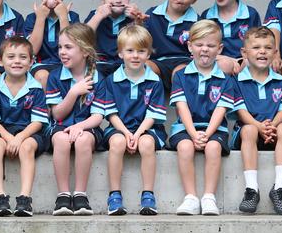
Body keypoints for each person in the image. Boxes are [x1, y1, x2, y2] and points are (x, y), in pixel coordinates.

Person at [94, 25, 167, 215]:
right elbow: (110, 113)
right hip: (119, 127)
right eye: (130, 50)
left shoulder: (154, 80)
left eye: (141, 51)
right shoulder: (111, 80)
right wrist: (127, 133)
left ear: (149, 54)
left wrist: (138, 133)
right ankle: (115, 196)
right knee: (117, 142)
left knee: (146, 144)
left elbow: (153, 114)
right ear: (120, 53)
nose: (135, 56)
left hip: (147, 128)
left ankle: (148, 196)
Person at [169, 20, 235, 216]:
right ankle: (190, 197)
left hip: (214, 129)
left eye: (211, 45)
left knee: (213, 147)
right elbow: (182, 108)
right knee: (185, 146)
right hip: (185, 127)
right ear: (190, 46)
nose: (204, 49)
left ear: (219, 48)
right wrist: (192, 134)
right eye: (199, 44)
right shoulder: (180, 76)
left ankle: (208, 197)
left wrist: (206, 134)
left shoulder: (226, 79)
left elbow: (220, 111)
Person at [230, 27, 282, 214]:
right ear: (244, 52)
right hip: (249, 133)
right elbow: (240, 110)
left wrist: (272, 126)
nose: (262, 51)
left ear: (275, 53)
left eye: (268, 48)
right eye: (256, 47)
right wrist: (259, 126)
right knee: (249, 130)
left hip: (273, 132)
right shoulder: (237, 81)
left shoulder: (281, 81)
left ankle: (280, 189)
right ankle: (252, 190)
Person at [0, 36, 49, 217]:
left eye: (22, 57)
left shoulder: (35, 88)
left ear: (31, 62)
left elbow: (38, 121)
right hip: (2, 131)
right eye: (11, 57)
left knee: (27, 147)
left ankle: (24, 199)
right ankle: (0, 198)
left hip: (29, 132)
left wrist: (19, 138)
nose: (17, 61)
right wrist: (9, 138)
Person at [47, 24, 104, 216]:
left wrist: (79, 126)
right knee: (62, 140)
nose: (62, 52)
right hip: (61, 127)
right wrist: (73, 93)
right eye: (60, 47)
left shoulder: (97, 78)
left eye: (68, 47)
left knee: (84, 139)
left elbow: (97, 116)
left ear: (85, 51)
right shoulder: (55, 77)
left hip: (87, 128)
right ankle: (63, 195)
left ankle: (80, 195)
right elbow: (57, 115)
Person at [143, 0, 203, 91]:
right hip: (157, 62)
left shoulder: (198, 22)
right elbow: (141, 41)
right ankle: (147, 108)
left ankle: (183, 109)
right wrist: (137, 23)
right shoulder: (151, 14)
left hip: (184, 62)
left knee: (180, 74)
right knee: (143, 68)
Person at [201, 0, 261, 75]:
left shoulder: (251, 14)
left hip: (245, 61)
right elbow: (203, 50)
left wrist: (242, 60)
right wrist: (227, 61)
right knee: (223, 65)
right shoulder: (207, 16)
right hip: (218, 62)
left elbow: (258, 45)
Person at [85, 0, 145, 77]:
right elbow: (82, 38)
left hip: (126, 64)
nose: (118, 0)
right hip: (100, 64)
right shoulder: (95, 15)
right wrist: (98, 17)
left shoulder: (133, 16)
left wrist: (137, 20)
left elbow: (142, 43)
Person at [25, 0, 80, 88]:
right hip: (41, 65)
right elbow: (32, 51)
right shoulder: (32, 18)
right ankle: (45, 108)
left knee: (72, 76)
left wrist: (63, 17)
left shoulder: (73, 17)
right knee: (42, 76)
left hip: (67, 64)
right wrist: (40, 18)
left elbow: (71, 49)